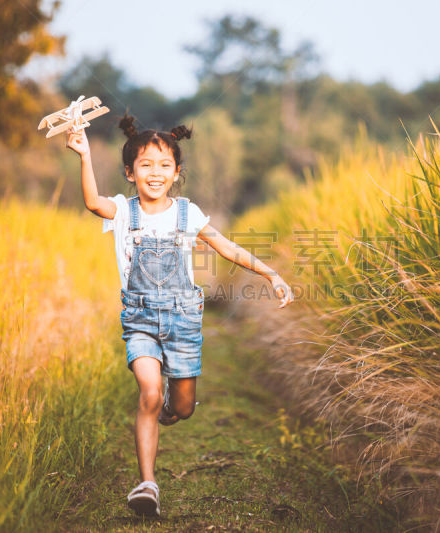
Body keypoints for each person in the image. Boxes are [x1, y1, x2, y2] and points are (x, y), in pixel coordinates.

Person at [65, 115, 294, 517]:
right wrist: (84, 154)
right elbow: (91, 202)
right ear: (129, 172)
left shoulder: (187, 214)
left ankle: (172, 406)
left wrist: (270, 273)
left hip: (183, 322)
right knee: (149, 394)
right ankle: (147, 484)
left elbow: (227, 248)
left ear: (177, 172)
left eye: (164, 165)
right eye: (146, 165)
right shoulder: (122, 211)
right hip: (140, 322)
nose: (155, 173)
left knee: (182, 408)